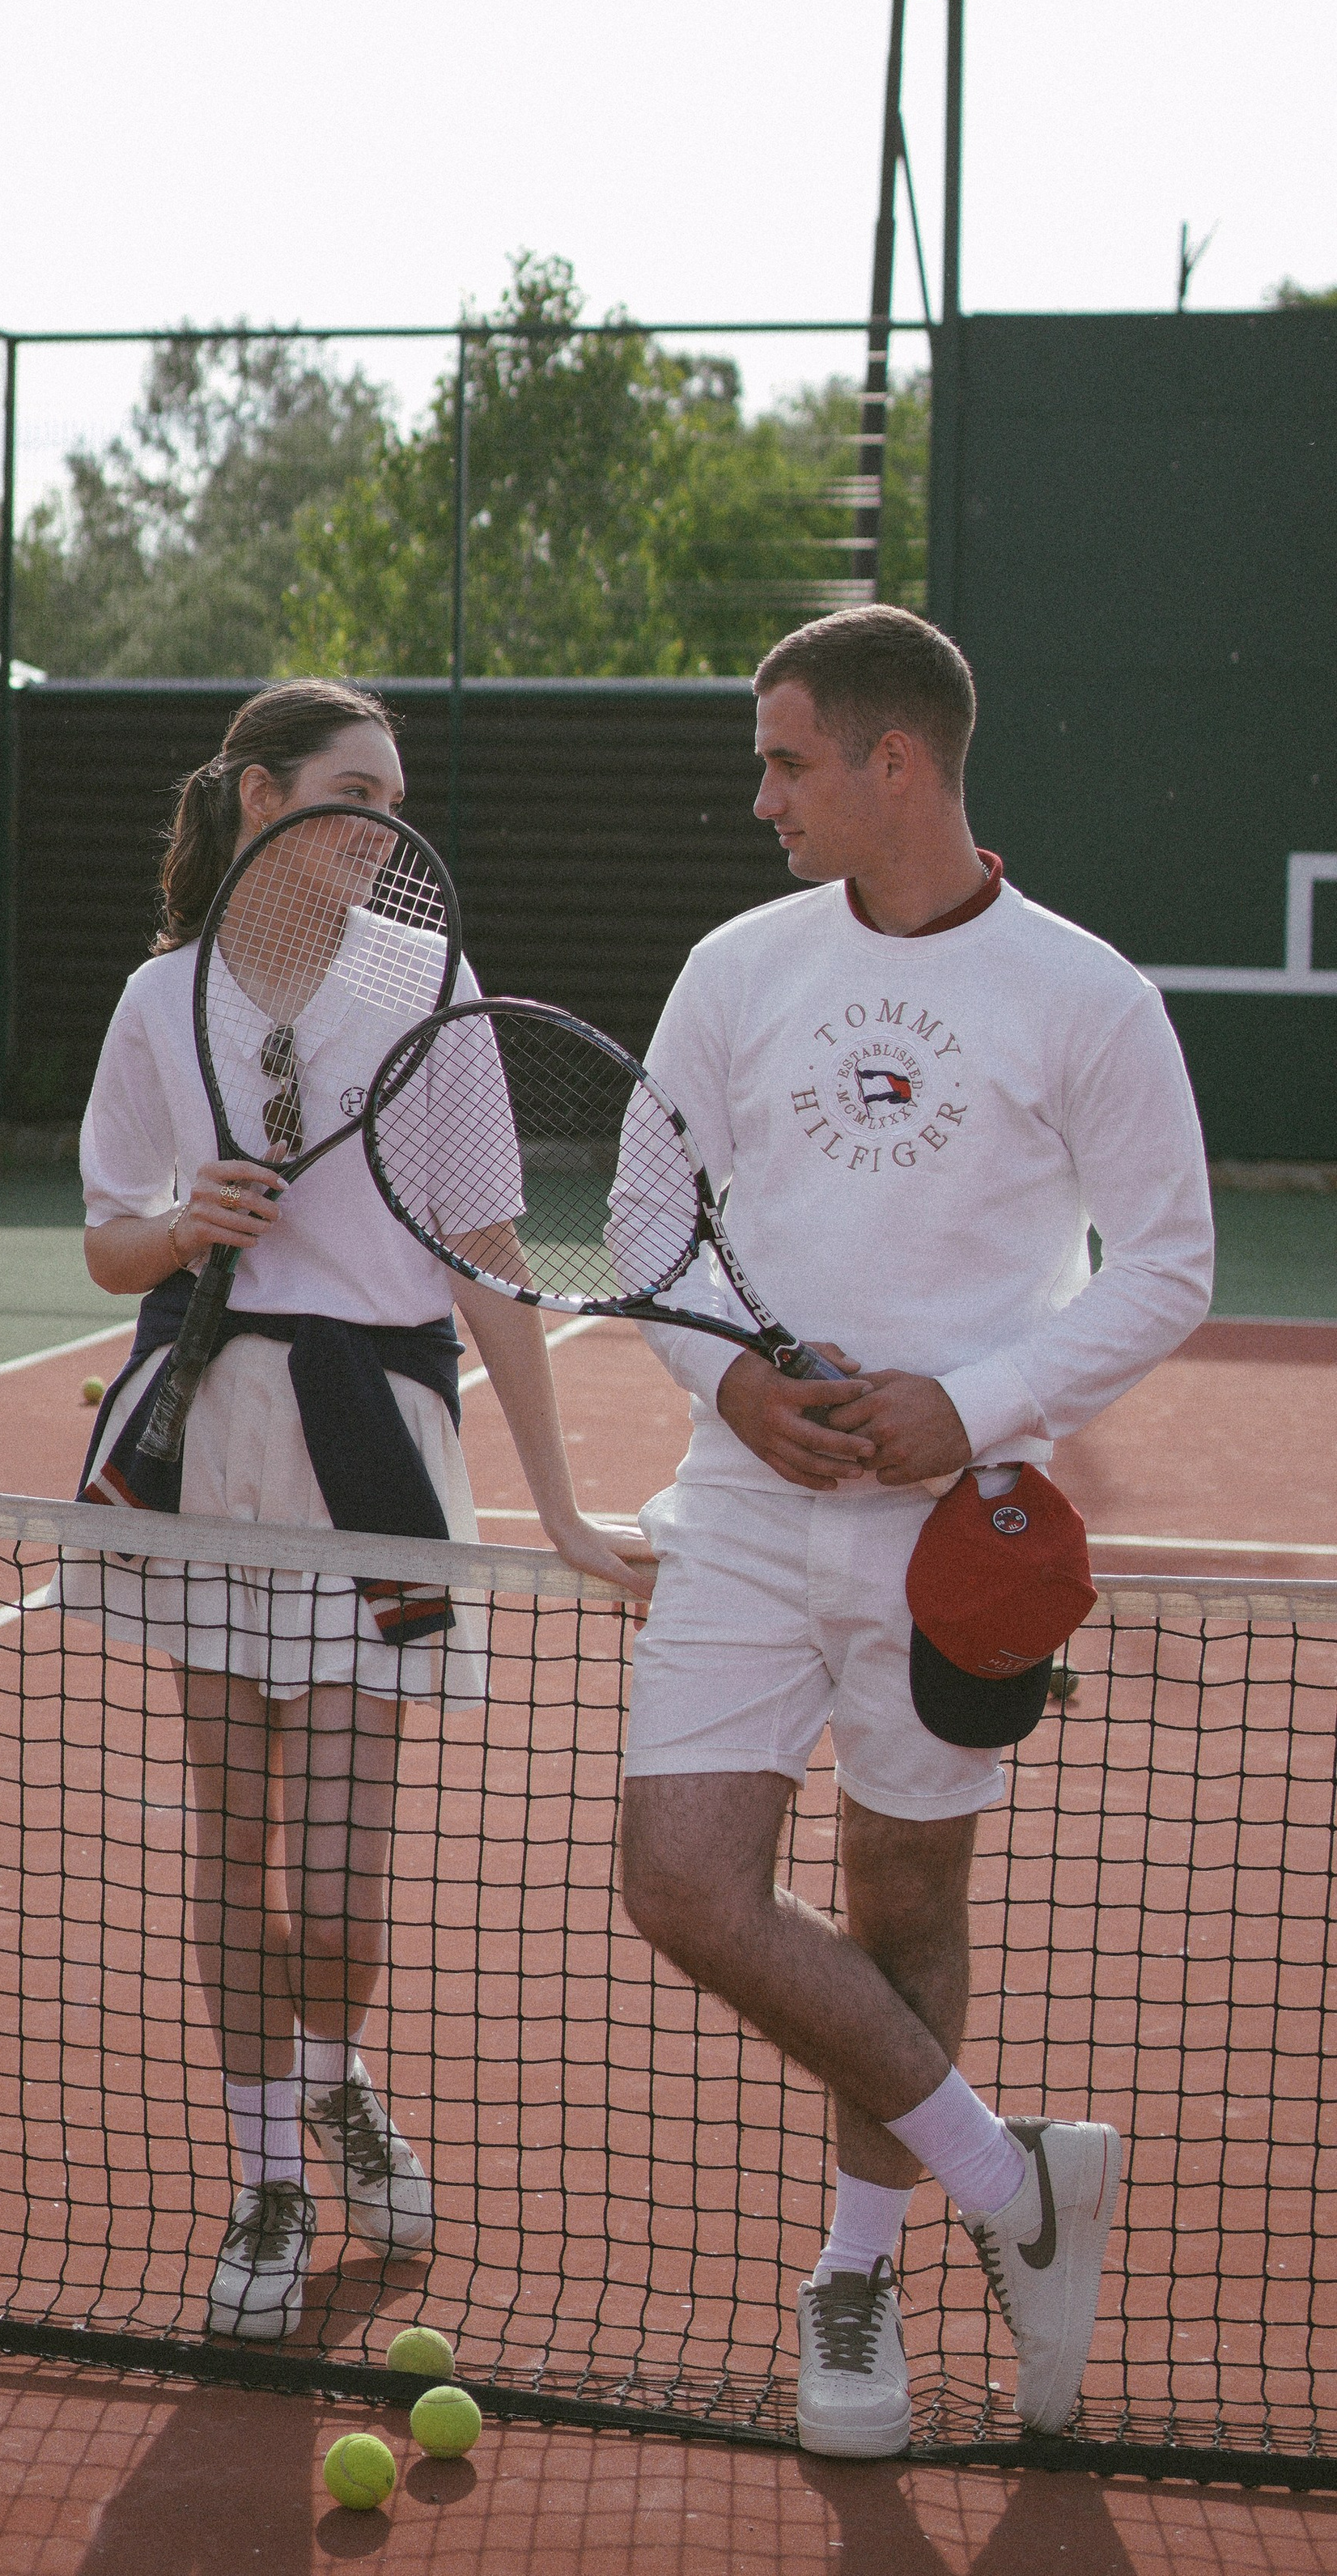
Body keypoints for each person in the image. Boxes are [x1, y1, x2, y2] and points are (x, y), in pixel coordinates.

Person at [613, 606, 1212, 2458]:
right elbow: (641, 1225)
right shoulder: (733, 967)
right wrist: (729, 1385)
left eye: (785, 760)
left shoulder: (1084, 995)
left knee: (904, 1905)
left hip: (953, 1533)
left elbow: (1168, 1265)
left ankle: (855, 2274)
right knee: (677, 1882)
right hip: (738, 1503)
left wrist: (974, 1403)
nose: (761, 797)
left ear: (894, 762)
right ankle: (1008, 2182)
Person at [70, 678, 645, 2344]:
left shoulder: (426, 987)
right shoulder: (158, 999)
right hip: (203, 1443)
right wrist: (185, 1225)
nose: (388, 827)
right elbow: (107, 1243)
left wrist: (557, 1505)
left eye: (398, 801)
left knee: (333, 1885)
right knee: (232, 1839)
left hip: (375, 1451)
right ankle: (268, 2174)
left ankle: (331, 2079)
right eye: (355, 793)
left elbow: (488, 1256)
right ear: (261, 798)